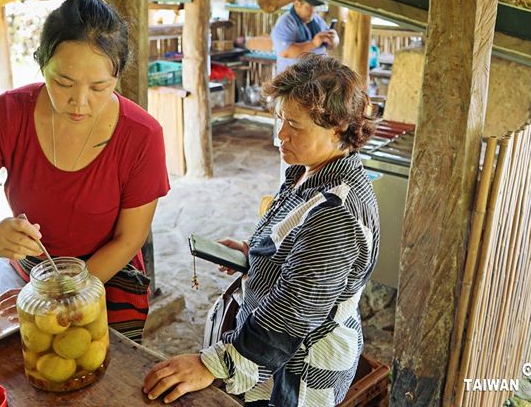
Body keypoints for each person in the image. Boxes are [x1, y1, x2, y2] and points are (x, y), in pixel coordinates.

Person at [0, 0, 169, 343]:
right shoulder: (8, 115)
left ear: (119, 77)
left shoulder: (143, 136)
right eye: (63, 83)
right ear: (41, 63)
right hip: (34, 270)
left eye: (99, 87)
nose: (80, 102)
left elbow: (129, 238)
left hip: (106, 276)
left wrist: (66, 294)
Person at [143, 54, 380, 406]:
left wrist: (213, 364)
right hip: (278, 348)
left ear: (338, 128)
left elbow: (293, 311)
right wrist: (253, 256)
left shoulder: (336, 214)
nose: (281, 134)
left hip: (299, 366)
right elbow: (296, 250)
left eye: (295, 126)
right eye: (281, 119)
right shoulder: (307, 169)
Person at [270, 0, 339, 74]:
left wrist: (333, 40)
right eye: (309, 6)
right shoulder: (285, 23)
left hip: (316, 74)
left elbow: (331, 45)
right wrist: (313, 44)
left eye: (314, 7)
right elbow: (285, 52)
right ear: (297, 4)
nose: (313, 11)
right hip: (292, 77)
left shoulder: (317, 19)